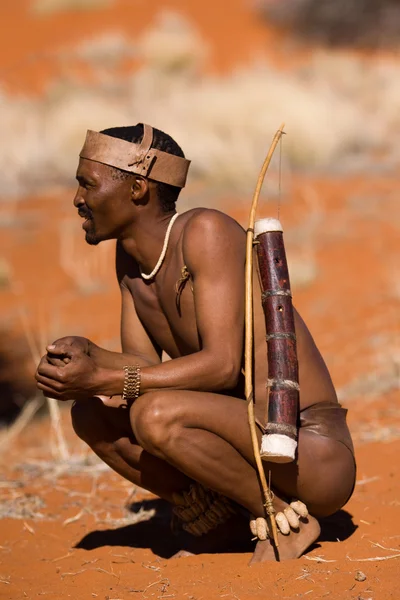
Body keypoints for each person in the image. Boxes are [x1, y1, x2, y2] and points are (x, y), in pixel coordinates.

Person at [35, 123, 356, 562]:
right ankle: (220, 522)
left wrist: (104, 374)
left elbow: (221, 366)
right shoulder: (130, 260)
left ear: (138, 188)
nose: (77, 200)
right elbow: (141, 365)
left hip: (308, 454)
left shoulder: (204, 231)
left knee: (155, 414)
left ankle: (283, 521)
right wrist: (84, 358)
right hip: (243, 434)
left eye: (87, 184)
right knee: (92, 416)